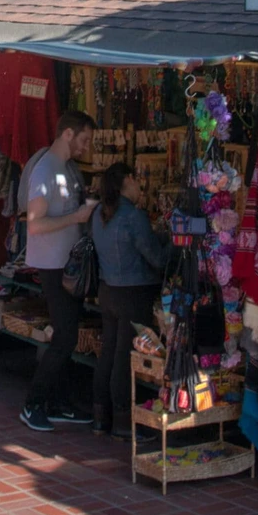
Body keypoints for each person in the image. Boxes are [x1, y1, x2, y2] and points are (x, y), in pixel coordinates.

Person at [19, 110, 99, 432]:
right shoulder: (46, 171)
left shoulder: (67, 169)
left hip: (68, 265)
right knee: (64, 337)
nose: (86, 146)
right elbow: (34, 225)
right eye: (84, 139)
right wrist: (77, 218)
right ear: (67, 134)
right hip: (53, 266)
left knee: (67, 335)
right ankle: (33, 403)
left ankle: (57, 403)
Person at [87, 163, 167, 438]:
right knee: (125, 356)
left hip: (108, 289)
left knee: (109, 352)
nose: (140, 186)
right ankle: (122, 420)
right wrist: (172, 245)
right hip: (133, 293)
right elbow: (156, 258)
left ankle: (101, 416)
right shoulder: (133, 216)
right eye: (136, 180)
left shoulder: (99, 213)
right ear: (128, 181)